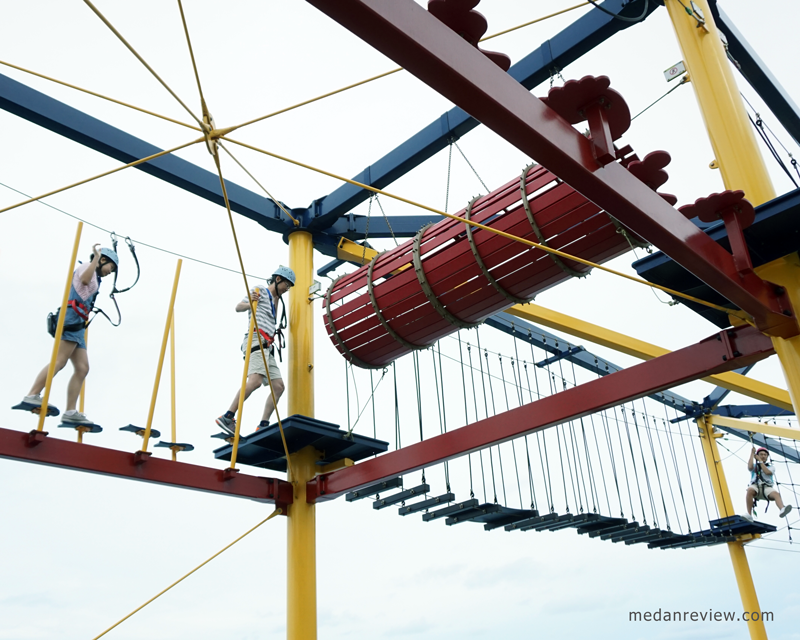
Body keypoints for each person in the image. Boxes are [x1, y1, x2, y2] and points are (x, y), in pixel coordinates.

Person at [20, 244, 118, 425]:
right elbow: (86, 280)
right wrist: (96, 258)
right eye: (110, 268)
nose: (109, 272)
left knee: (82, 368)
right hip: (72, 320)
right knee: (59, 360)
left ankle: (70, 411)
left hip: (78, 324)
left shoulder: (95, 274)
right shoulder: (85, 268)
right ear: (103, 260)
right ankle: (32, 394)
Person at [216, 265, 295, 437]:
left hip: (267, 345)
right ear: (278, 279)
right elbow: (238, 307)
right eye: (286, 285)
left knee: (279, 386)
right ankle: (228, 416)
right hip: (256, 339)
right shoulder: (260, 290)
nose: (287, 289)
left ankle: (263, 424)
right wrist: (250, 304)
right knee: (256, 381)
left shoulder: (276, 301)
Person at [743, 446, 792, 521]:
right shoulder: (755, 466)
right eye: (761, 454)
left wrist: (760, 461)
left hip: (766, 487)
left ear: (767, 457)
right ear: (758, 455)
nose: (763, 456)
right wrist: (752, 454)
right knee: (749, 490)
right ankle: (749, 514)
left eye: (765, 455)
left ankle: (782, 508)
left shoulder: (771, 467)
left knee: (776, 494)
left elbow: (767, 472)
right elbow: (750, 467)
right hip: (755, 486)